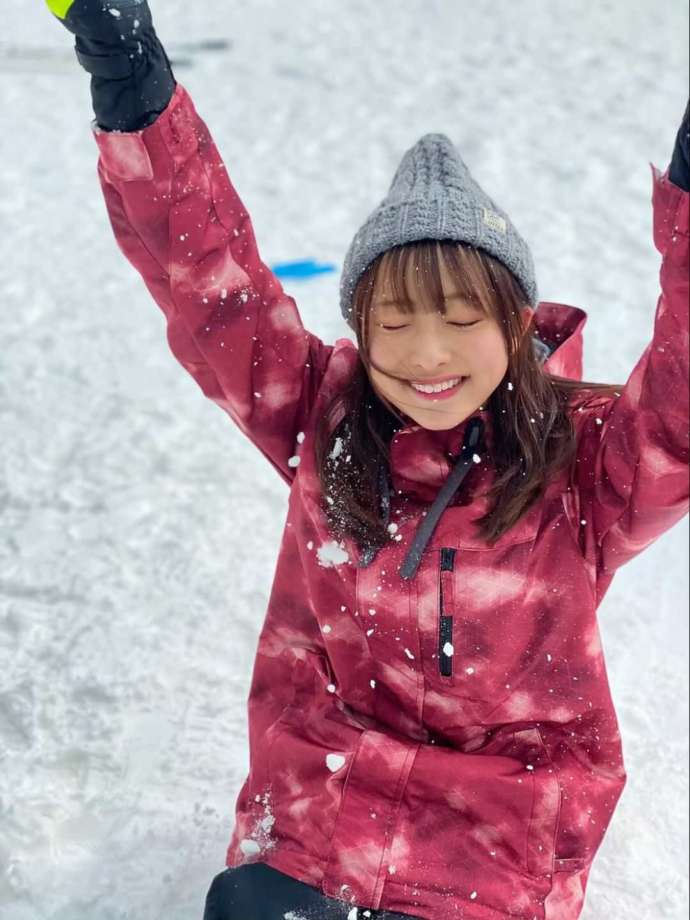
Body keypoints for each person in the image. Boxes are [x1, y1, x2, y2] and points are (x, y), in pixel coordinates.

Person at [46, 2, 690, 919]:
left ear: (514, 327)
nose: (429, 355)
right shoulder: (321, 420)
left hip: (501, 835)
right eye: (396, 322)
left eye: (464, 320)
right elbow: (208, 283)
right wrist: (132, 86)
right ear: (361, 329)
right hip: (321, 809)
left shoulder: (587, 468)